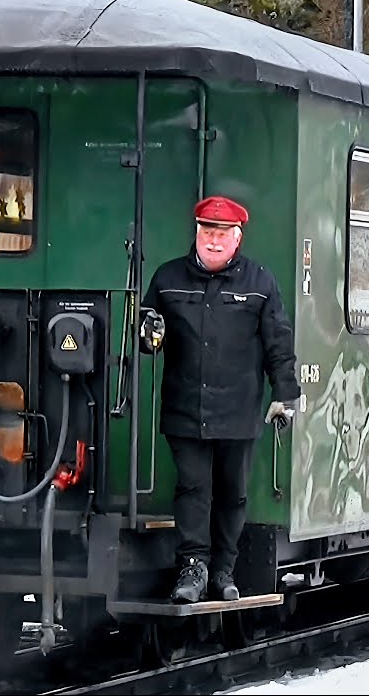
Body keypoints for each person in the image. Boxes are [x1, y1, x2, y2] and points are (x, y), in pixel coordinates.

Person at [138, 195, 300, 604]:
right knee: (193, 489)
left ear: (237, 238)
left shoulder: (260, 283)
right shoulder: (167, 278)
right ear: (196, 233)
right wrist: (147, 331)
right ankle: (193, 568)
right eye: (207, 232)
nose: (213, 241)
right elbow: (144, 334)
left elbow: (278, 343)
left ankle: (223, 569)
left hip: (238, 410)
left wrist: (285, 395)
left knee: (232, 493)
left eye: (222, 234)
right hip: (185, 408)